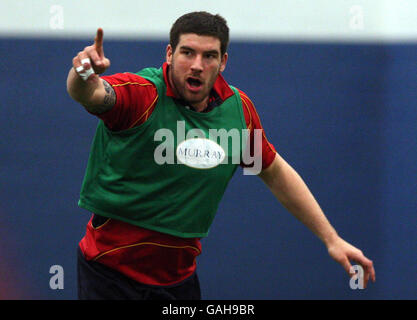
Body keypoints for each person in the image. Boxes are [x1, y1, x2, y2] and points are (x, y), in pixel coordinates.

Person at [67, 11, 375, 300]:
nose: (197, 65)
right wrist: (82, 74)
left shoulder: (236, 112)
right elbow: (91, 94)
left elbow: (275, 173)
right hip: (109, 274)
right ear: (170, 54)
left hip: (178, 280)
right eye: (187, 52)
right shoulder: (142, 95)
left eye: (209, 56)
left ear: (223, 61)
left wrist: (331, 238)